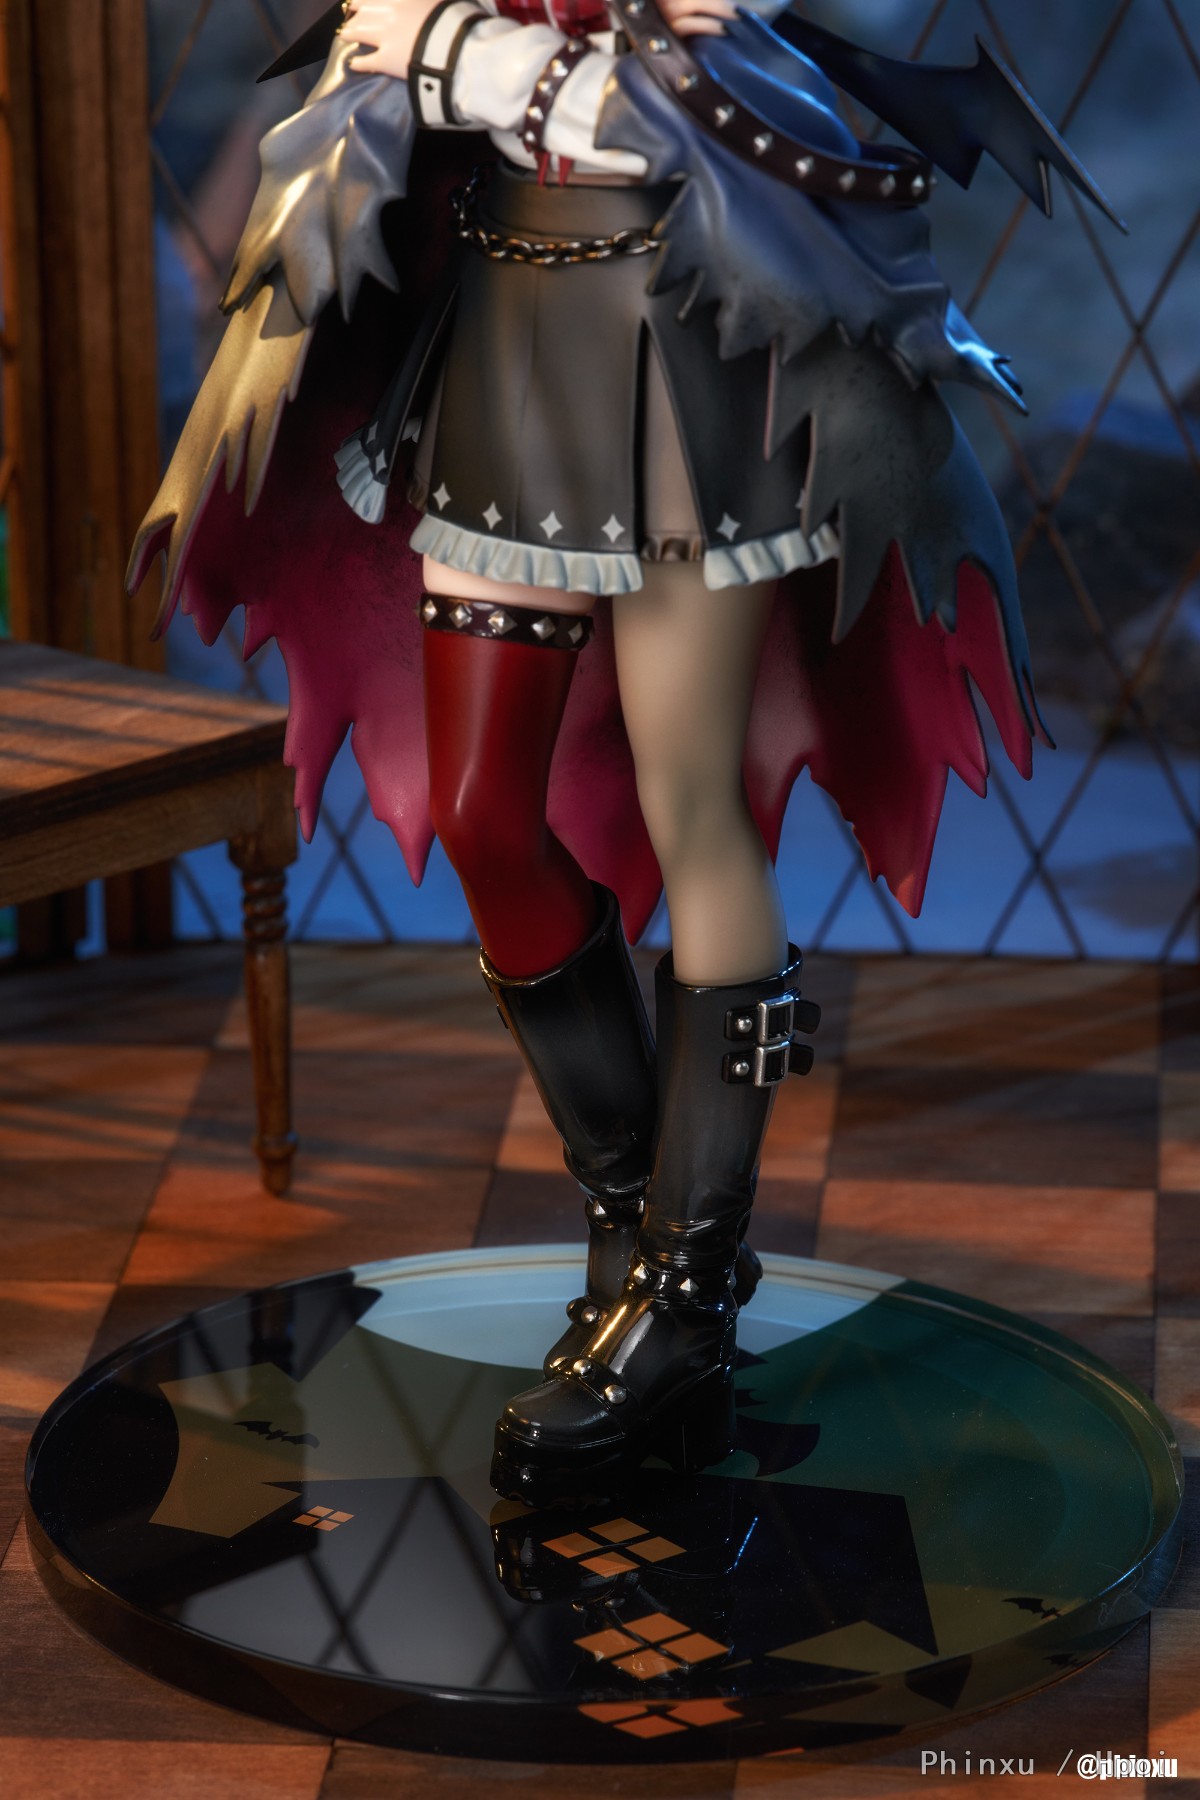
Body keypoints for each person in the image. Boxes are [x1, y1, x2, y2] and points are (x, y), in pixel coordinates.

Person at [128, 0, 1119, 1505]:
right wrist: (470, 55)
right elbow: (385, 49)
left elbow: (632, 105)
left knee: (691, 800)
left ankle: (683, 1291)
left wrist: (473, 55)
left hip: (687, 357)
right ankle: (638, 1219)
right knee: (483, 814)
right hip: (507, 344)